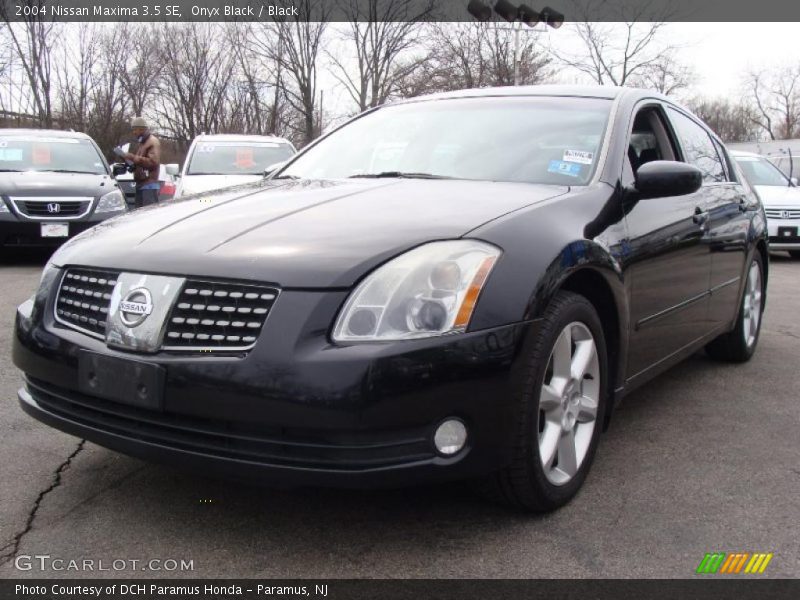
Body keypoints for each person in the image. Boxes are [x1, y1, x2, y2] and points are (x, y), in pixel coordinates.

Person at [124, 117, 161, 208]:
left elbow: (153, 162)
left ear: (141, 129)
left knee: (148, 216)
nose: (134, 132)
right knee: (139, 216)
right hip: (142, 184)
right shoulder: (143, 143)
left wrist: (132, 157)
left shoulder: (152, 142)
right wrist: (130, 163)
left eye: (135, 130)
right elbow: (141, 162)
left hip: (149, 185)